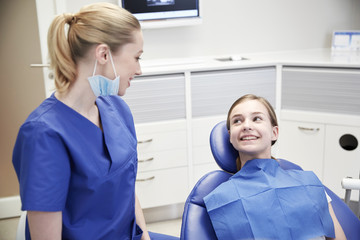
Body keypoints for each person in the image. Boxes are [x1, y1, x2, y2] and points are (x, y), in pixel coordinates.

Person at [12, 3, 178, 240]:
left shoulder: (117, 108)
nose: (139, 70)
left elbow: (127, 189)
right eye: (136, 57)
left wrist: (145, 237)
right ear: (103, 54)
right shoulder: (43, 134)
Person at [204, 94, 347, 240]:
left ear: (274, 133)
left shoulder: (309, 184)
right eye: (237, 121)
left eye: (257, 118)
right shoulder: (221, 201)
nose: (246, 125)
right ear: (230, 136)